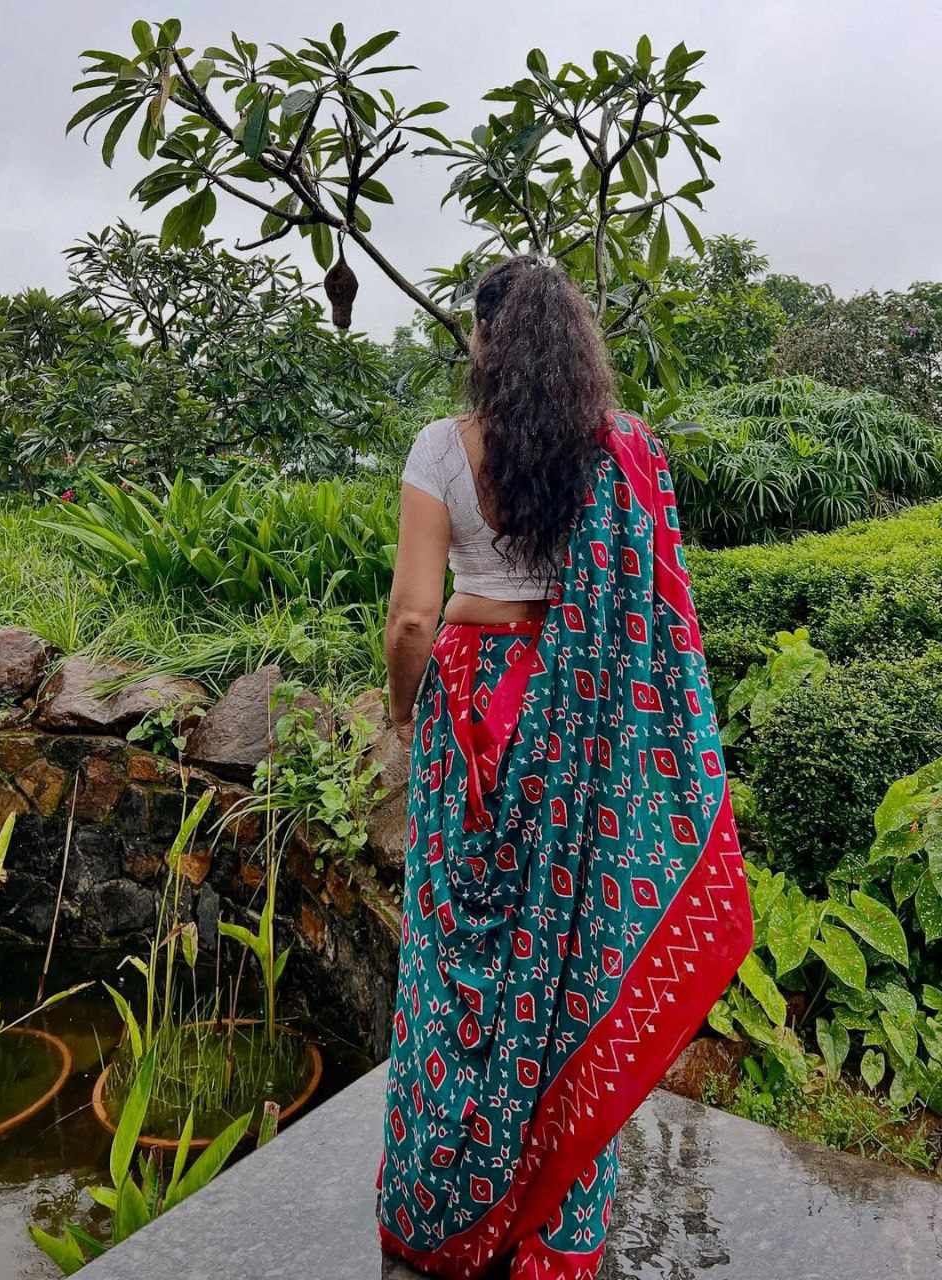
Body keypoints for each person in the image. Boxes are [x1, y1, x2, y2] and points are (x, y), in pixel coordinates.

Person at [376, 255, 753, 1279]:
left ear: (482, 340)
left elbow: (410, 616)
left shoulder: (439, 447)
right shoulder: (619, 450)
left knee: (455, 948)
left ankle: (448, 1192)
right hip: (578, 722)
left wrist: (403, 710)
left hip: (473, 706)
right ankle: (549, 1206)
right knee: (559, 950)